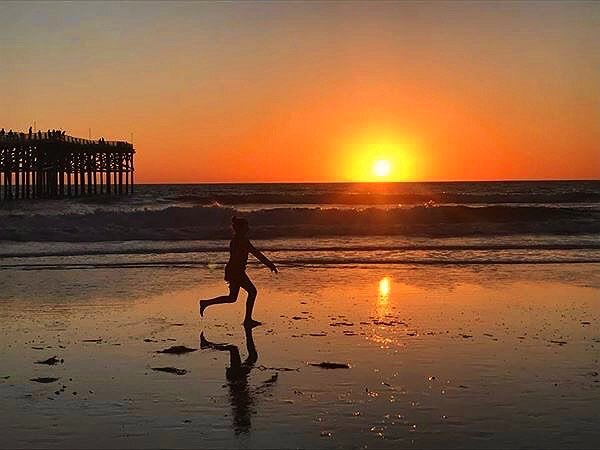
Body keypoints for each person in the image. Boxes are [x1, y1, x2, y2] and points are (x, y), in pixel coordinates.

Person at [199, 216, 277, 327]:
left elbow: (250, 254)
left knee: (232, 298)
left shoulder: (236, 240)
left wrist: (269, 264)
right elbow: (256, 253)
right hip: (236, 271)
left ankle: (205, 303)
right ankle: (247, 320)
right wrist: (270, 264)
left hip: (234, 270)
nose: (248, 229)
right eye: (246, 227)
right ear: (241, 228)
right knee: (252, 292)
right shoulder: (242, 241)